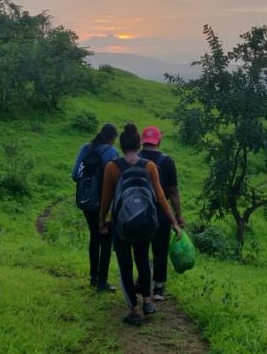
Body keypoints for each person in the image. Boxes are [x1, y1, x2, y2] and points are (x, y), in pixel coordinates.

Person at [100, 123, 183, 326]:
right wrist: (174, 222)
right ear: (138, 144)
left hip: (121, 226)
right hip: (146, 224)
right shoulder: (150, 166)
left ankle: (134, 311)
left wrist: (102, 221)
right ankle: (147, 301)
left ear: (121, 144)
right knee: (143, 260)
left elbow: (106, 199)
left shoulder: (112, 167)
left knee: (125, 265)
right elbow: (161, 198)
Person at [139, 125, 185, 301]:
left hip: (139, 210)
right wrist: (178, 216)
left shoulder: (136, 159)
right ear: (159, 141)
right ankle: (158, 287)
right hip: (162, 211)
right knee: (160, 249)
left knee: (141, 248)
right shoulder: (167, 161)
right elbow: (173, 191)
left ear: (143, 141)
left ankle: (141, 282)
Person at [72, 123, 119, 292]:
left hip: (87, 201)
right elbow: (116, 180)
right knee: (106, 240)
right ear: (113, 137)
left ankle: (93, 278)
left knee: (94, 237)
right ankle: (102, 282)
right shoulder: (112, 152)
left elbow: (74, 174)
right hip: (104, 203)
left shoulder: (85, 148)